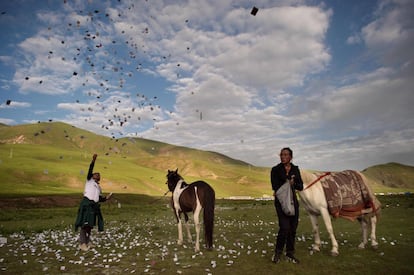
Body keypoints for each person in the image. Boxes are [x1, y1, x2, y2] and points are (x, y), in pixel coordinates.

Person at [270, 147, 303, 264]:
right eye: (281, 155)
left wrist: (294, 183)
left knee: (293, 229)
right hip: (281, 202)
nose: (283, 157)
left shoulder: (295, 169)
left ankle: (290, 253)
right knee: (284, 228)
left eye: (286, 155)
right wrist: (288, 181)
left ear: (290, 157)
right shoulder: (275, 170)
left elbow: (301, 186)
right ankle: (278, 252)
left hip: (293, 202)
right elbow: (275, 186)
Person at [75, 154, 112, 251]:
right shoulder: (89, 181)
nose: (98, 174)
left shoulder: (99, 187)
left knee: (90, 225)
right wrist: (93, 161)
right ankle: (82, 243)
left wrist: (106, 198)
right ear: (92, 176)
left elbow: (99, 198)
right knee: (85, 224)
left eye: (99, 174)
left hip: (93, 206)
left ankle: (88, 241)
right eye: (96, 173)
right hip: (87, 203)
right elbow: (90, 169)